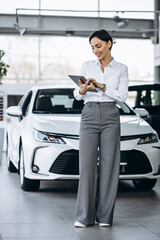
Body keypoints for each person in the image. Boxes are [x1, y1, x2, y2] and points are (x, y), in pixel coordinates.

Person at [73, 29, 128, 227]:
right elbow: (77, 94)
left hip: (110, 114)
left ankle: (105, 217)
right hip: (88, 114)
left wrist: (103, 87)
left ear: (109, 44)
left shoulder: (121, 68)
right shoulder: (87, 65)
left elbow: (122, 96)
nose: (95, 50)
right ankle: (84, 217)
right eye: (92, 47)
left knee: (109, 166)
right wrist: (82, 89)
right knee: (86, 166)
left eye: (98, 46)